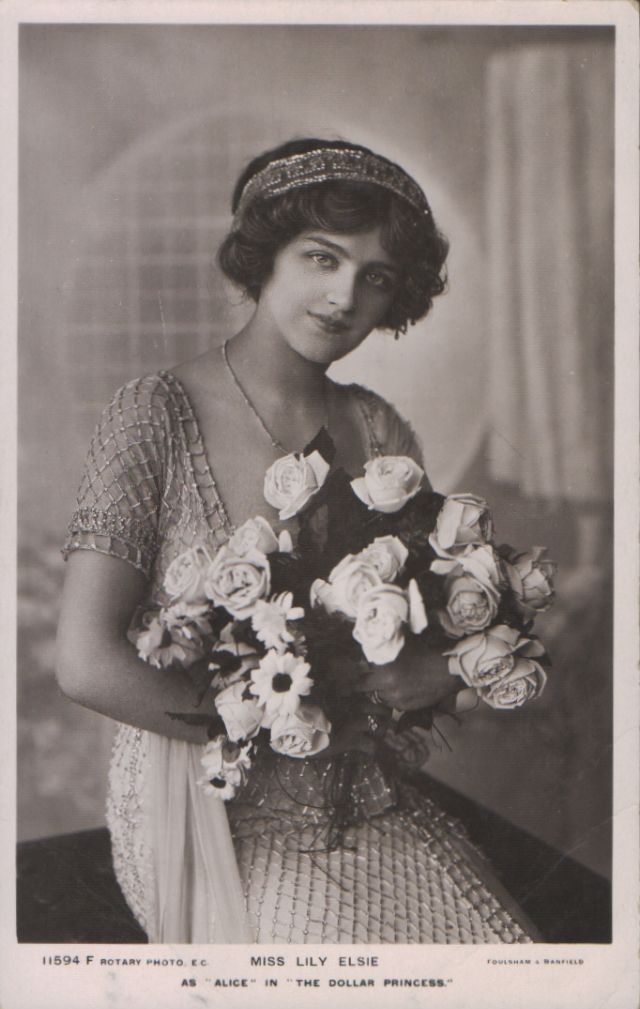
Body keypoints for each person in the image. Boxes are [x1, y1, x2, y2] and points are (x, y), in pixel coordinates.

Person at [56, 137, 539, 944]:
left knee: (502, 951)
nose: (343, 295)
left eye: (376, 276)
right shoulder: (154, 414)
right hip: (201, 805)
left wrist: (443, 671)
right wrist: (295, 719)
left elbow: (405, 647)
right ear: (266, 254)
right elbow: (85, 662)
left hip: (360, 790)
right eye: (322, 257)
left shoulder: (378, 428)